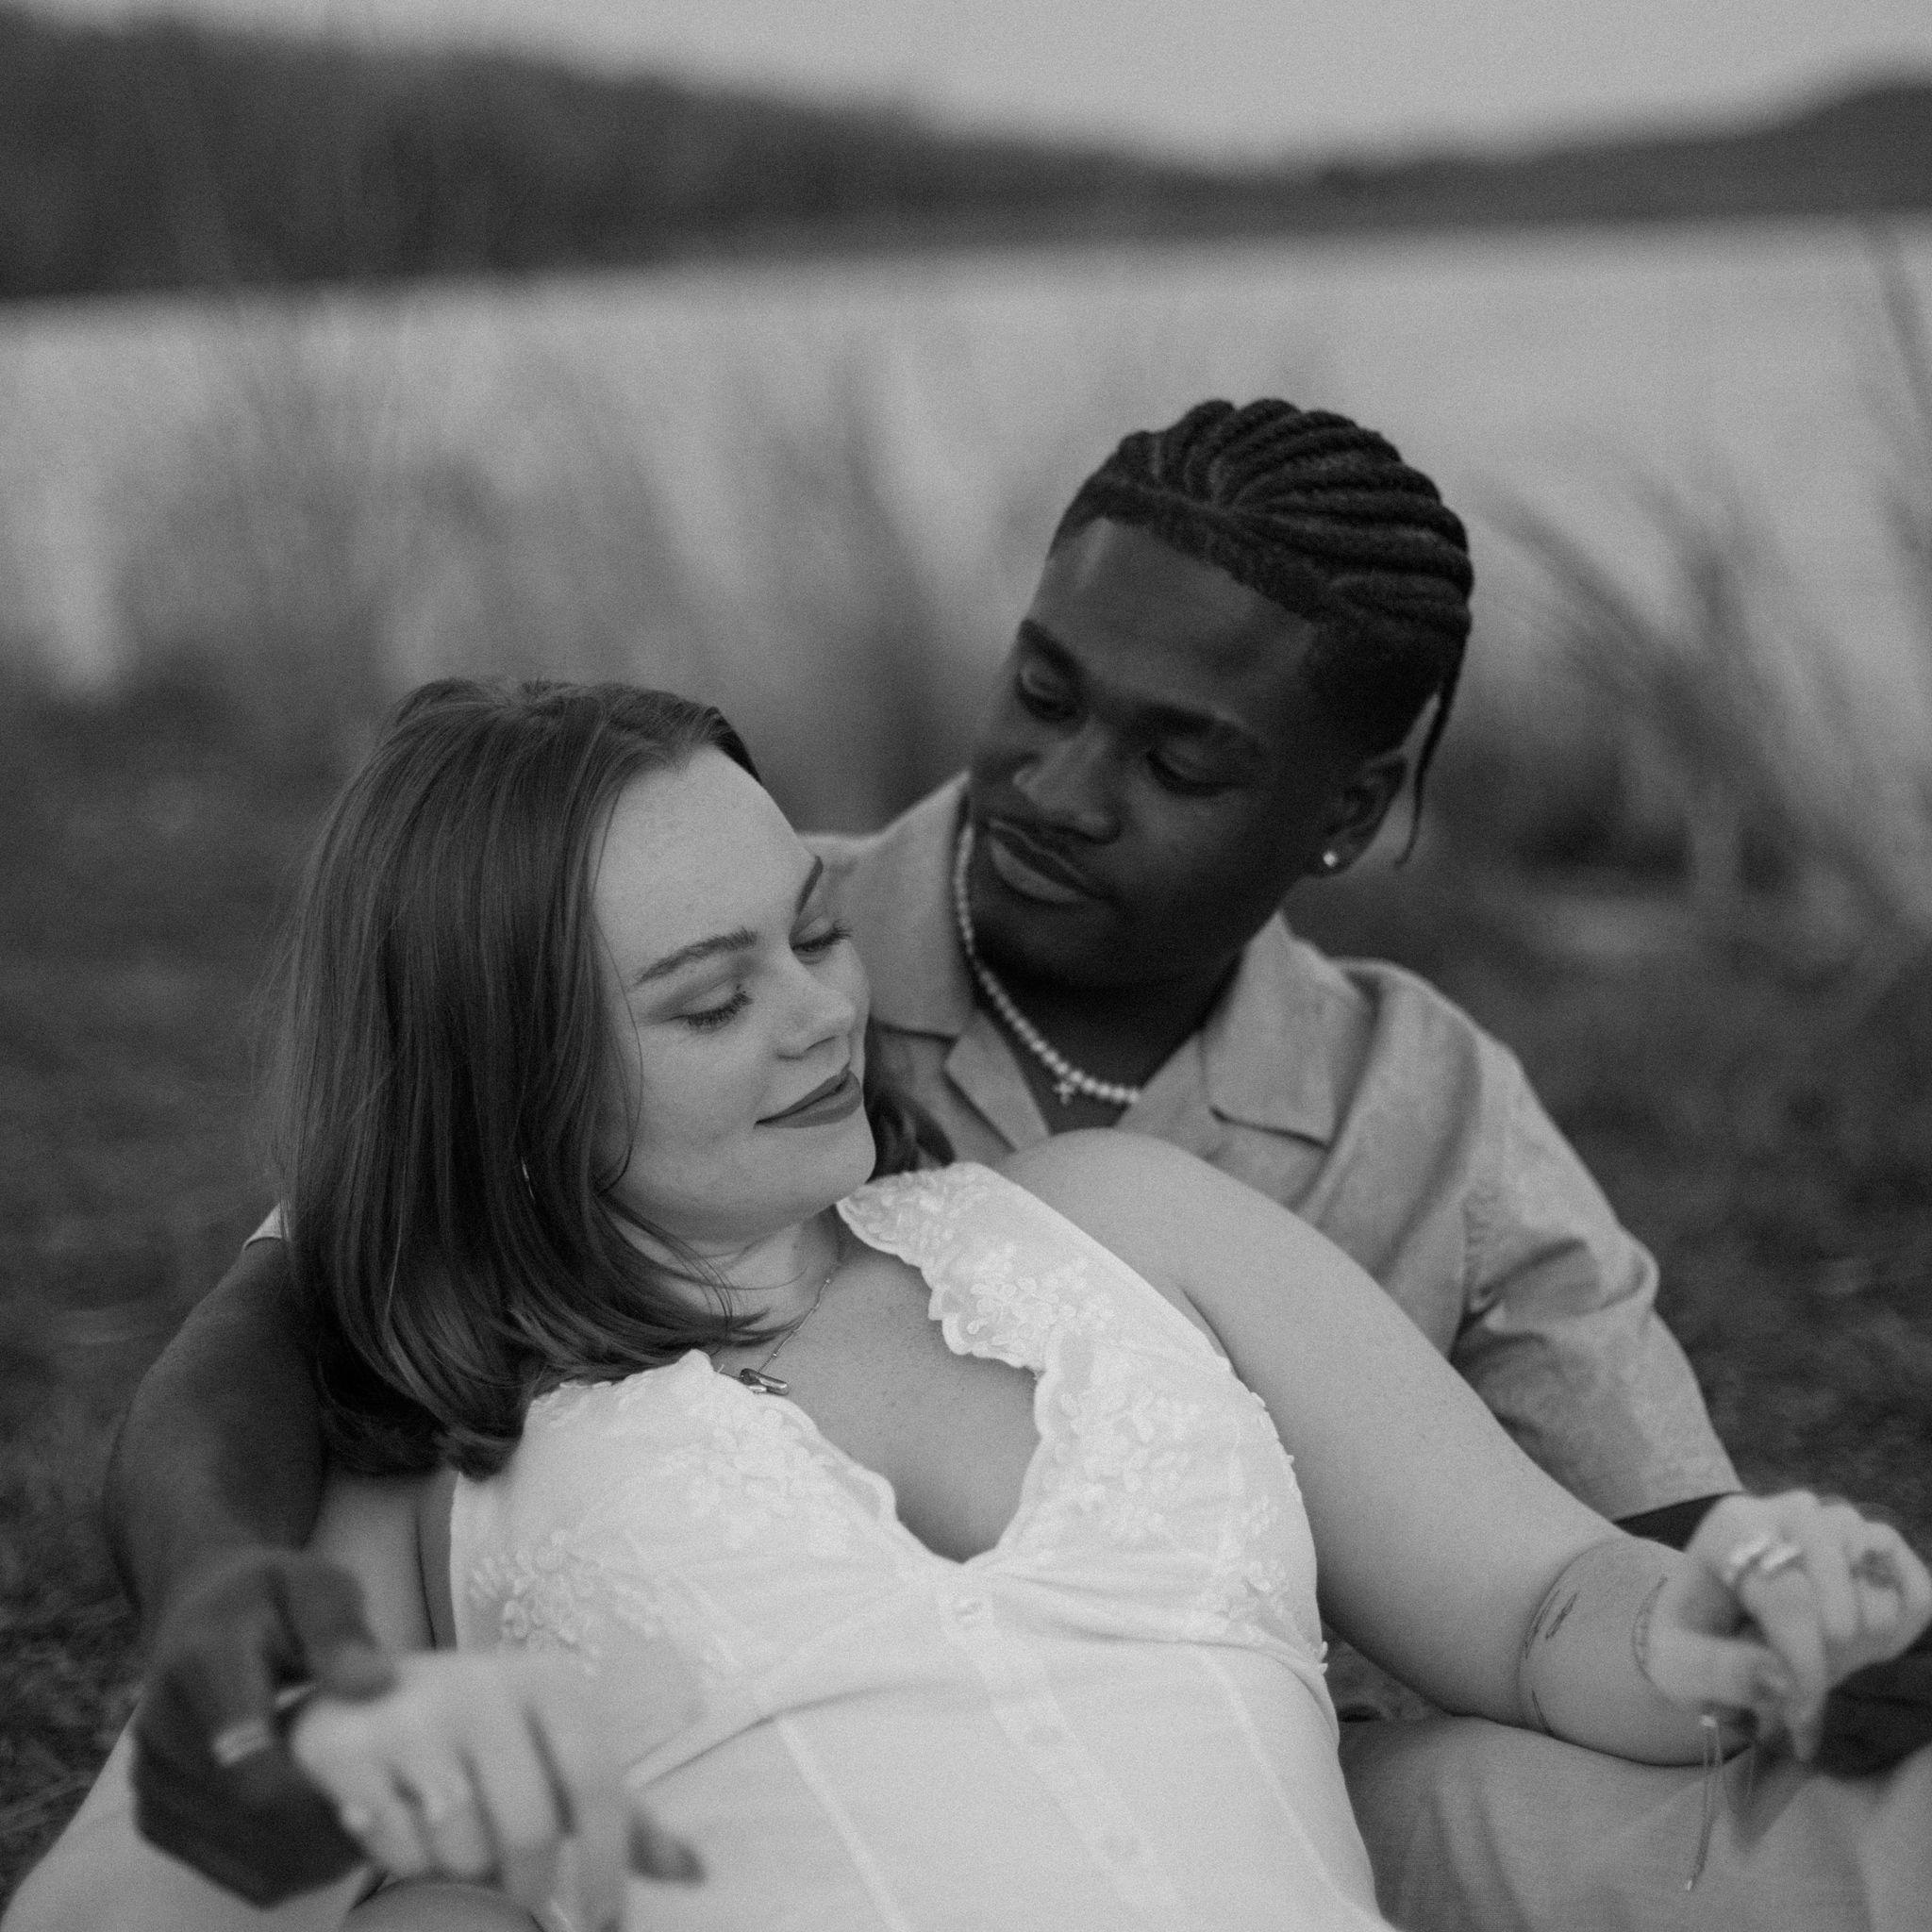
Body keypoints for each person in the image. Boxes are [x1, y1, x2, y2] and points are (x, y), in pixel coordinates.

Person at [36, 401, 1932, 1922]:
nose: (1053, 788)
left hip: (1339, 1785)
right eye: (1040, 690)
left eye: (1179, 760)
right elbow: (297, 1316)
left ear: (1343, 814)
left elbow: (1594, 1570)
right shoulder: (672, 923)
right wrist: (231, 1613)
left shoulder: (1366, 1128)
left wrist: (1763, 1606)